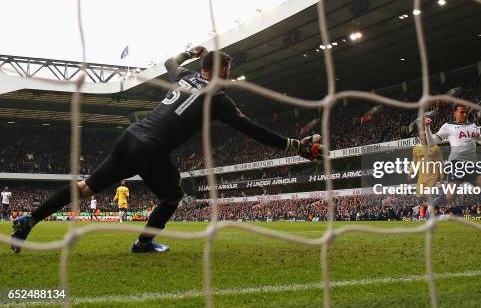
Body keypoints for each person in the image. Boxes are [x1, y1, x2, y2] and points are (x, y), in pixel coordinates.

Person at [10, 47, 324, 253]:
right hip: (151, 148)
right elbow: (253, 129)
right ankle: (144, 242)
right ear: (220, 70)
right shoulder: (219, 98)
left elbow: (170, 63)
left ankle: (30, 220)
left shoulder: (185, 76)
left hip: (130, 138)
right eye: (227, 70)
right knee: (172, 197)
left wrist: (189, 51)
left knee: (86, 186)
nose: (228, 76)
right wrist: (294, 146)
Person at [424, 104, 481, 230]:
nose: (465, 115)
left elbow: (479, 138)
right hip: (456, 163)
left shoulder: (472, 126)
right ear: (454, 113)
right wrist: (427, 128)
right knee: (450, 197)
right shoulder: (448, 127)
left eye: (466, 112)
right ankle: (431, 207)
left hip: (473, 164)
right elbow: (432, 141)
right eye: (462, 112)